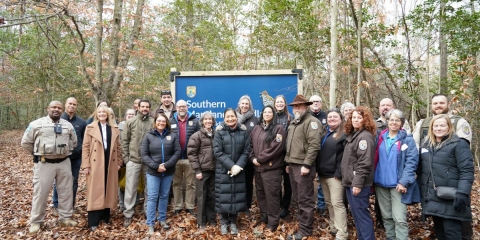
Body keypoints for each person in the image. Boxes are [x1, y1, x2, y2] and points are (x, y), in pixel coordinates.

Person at [413, 94, 473, 239]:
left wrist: (463, 193)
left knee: (453, 233)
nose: (439, 128)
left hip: (452, 196)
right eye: (436, 126)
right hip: (433, 196)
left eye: (442, 125)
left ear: (449, 127)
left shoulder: (459, 143)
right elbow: (421, 168)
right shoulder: (427, 145)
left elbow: (467, 170)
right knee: (440, 233)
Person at [21, 100, 78, 234]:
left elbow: (74, 142)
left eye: (59, 108)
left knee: (66, 191)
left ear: (62, 110)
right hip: (44, 163)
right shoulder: (36, 124)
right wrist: (37, 154)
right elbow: (25, 142)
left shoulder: (68, 125)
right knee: (40, 193)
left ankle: (65, 218)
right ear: (48, 108)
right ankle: (36, 221)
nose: (56, 109)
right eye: (54, 107)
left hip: (64, 162)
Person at [374, 109, 420, 240]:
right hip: (380, 183)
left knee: (399, 218)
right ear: (387, 121)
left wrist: (404, 181)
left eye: (397, 120)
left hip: (398, 185)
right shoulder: (380, 137)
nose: (394, 122)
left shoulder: (407, 140)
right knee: (387, 217)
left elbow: (411, 163)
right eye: (391, 120)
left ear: (401, 123)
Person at [284, 94, 322, 240]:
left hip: (304, 167)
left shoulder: (312, 122)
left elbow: (314, 145)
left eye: (299, 106)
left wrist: (306, 165)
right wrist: (288, 163)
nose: (296, 108)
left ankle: (306, 231)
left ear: (306, 106)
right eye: (294, 106)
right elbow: (291, 145)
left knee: (305, 199)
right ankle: (302, 225)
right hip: (293, 165)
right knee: (298, 198)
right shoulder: (294, 123)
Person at [81, 105, 123, 231]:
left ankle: (105, 217)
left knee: (108, 188)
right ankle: (93, 220)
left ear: (108, 114)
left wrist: (119, 162)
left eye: (103, 112)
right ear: (96, 114)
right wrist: (86, 165)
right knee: (95, 190)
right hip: (95, 162)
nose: (101, 114)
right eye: (99, 112)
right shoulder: (90, 128)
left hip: (111, 161)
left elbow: (119, 147)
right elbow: (85, 147)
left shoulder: (114, 128)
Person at [141, 113, 181, 234]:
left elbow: (177, 152)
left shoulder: (172, 135)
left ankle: (162, 219)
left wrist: (167, 165)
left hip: (168, 172)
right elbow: (144, 154)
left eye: (163, 121)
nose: (161, 123)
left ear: (167, 123)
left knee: (164, 196)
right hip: (153, 172)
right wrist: (156, 166)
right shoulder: (148, 136)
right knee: (152, 197)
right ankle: (150, 223)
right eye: (159, 121)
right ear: (155, 122)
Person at [214, 108, 251, 235]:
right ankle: (224, 222)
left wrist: (238, 166)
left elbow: (247, 150)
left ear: (236, 117)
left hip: (239, 170)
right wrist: (231, 166)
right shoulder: (219, 132)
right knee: (223, 196)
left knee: (236, 195)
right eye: (227, 117)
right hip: (223, 170)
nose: (230, 119)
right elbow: (217, 152)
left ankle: (233, 221)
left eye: (232, 116)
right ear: (224, 118)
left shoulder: (243, 132)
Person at [341, 106, 376, 240]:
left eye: (359, 118)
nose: (356, 120)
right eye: (353, 117)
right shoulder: (354, 135)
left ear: (365, 120)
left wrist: (358, 183)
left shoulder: (365, 137)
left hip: (358, 184)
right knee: (356, 215)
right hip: (351, 182)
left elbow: (364, 163)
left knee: (362, 215)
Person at [250, 105, 286, 232]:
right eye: (265, 112)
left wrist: (259, 159)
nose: (267, 114)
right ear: (262, 114)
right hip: (258, 170)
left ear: (273, 114)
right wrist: (252, 158)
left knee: (272, 197)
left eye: (269, 112)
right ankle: (264, 219)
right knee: (261, 195)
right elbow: (250, 146)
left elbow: (276, 148)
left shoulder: (278, 129)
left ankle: (273, 222)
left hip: (272, 170)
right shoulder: (256, 129)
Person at [315, 108, 348, 240]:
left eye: (335, 117)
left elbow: (345, 156)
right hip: (323, 174)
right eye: (330, 117)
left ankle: (342, 233)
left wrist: (339, 172)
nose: (332, 119)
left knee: (337, 203)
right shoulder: (324, 132)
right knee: (329, 202)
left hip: (335, 176)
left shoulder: (344, 134)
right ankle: (334, 227)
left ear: (341, 119)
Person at [121, 99, 154, 227]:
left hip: (149, 161)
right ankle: (128, 213)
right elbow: (124, 142)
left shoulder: (153, 122)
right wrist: (126, 160)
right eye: (142, 106)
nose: (145, 108)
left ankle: (147, 210)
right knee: (130, 188)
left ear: (149, 108)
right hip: (133, 160)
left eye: (147, 106)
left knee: (149, 188)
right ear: (138, 108)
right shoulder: (130, 122)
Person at [51, 97, 87, 215]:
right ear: (65, 105)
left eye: (74, 104)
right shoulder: (57, 119)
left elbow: (83, 139)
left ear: (76, 106)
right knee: (59, 181)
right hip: (61, 157)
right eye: (70, 104)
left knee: (74, 182)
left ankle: (70, 205)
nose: (72, 106)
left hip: (76, 157)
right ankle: (56, 205)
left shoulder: (82, 122)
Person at [170, 100, 200, 215]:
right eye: (179, 107)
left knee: (190, 184)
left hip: (190, 158)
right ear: (176, 108)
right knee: (176, 184)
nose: (181, 108)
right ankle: (177, 206)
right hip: (175, 158)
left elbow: (199, 138)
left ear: (187, 107)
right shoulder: (170, 121)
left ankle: (189, 206)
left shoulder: (195, 120)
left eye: (183, 106)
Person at [187, 112, 217, 229]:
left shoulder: (217, 134)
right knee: (201, 196)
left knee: (212, 196)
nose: (208, 121)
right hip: (202, 171)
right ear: (202, 121)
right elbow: (191, 154)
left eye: (210, 119)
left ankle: (212, 219)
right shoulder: (196, 136)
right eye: (206, 119)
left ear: (213, 121)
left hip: (214, 171)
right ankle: (201, 221)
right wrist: (197, 170)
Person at [235, 95, 259, 215]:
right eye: (242, 103)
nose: (244, 106)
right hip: (236, 157)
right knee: (237, 182)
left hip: (249, 158)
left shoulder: (255, 119)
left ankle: (247, 206)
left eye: (247, 104)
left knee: (248, 183)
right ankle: (238, 206)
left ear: (250, 106)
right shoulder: (233, 117)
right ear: (239, 104)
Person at [274, 95, 292, 218]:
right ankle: (278, 204)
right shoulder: (271, 118)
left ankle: (285, 207)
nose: (280, 104)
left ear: (285, 104)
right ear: (274, 104)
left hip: (287, 155)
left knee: (287, 183)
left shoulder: (290, 118)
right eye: (278, 102)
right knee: (276, 182)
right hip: (275, 155)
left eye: (282, 102)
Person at [309, 94, 327, 216]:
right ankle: (309, 206)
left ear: (321, 103)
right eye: (313, 101)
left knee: (322, 181)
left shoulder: (327, 116)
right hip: (309, 154)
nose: (315, 103)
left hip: (324, 153)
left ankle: (321, 206)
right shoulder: (306, 116)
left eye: (318, 101)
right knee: (307, 181)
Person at [117, 108, 136, 212]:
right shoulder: (119, 128)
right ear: (125, 116)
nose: (130, 115)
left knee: (134, 183)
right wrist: (123, 159)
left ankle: (134, 203)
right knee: (122, 184)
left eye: (132, 114)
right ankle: (121, 204)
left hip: (134, 159)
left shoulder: (137, 125)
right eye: (128, 114)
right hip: (123, 160)